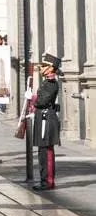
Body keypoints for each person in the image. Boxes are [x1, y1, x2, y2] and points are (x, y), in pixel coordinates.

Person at [30, 53, 62, 191]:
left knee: (46, 152)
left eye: (44, 66)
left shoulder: (51, 83)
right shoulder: (46, 82)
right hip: (43, 117)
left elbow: (42, 101)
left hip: (46, 119)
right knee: (42, 151)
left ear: (50, 68)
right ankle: (44, 179)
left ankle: (48, 181)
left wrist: (33, 98)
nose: (41, 68)